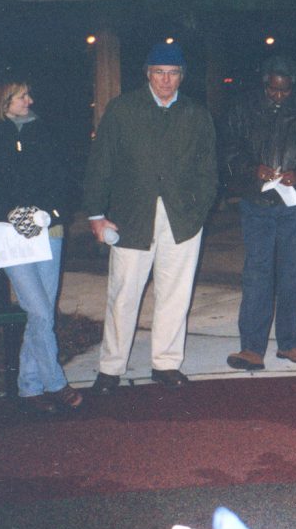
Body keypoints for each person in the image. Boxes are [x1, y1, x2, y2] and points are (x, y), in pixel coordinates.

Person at [83, 42, 218, 393]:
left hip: (181, 218)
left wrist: (197, 210)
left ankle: (166, 363)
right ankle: (110, 368)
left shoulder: (196, 113)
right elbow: (101, 165)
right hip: (131, 216)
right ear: (147, 74)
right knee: (124, 293)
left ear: (182, 77)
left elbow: (209, 172)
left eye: (173, 73)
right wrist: (96, 214)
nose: (165, 81)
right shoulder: (123, 110)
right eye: (159, 72)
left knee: (175, 293)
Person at [0, 71, 81, 413]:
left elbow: (65, 179)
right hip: (11, 236)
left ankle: (29, 386)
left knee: (42, 312)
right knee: (37, 308)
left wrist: (49, 212)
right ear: (3, 100)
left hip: (49, 231)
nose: (29, 101)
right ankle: (55, 382)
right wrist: (9, 212)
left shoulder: (44, 130)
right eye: (21, 96)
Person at [221, 54, 296, 370]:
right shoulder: (243, 110)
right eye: (273, 90)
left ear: (293, 86)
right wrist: (250, 169)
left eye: (284, 91)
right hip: (256, 203)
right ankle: (251, 348)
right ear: (265, 83)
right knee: (257, 273)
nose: (279, 96)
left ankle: (290, 344)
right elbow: (228, 152)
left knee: (294, 273)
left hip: (295, 204)